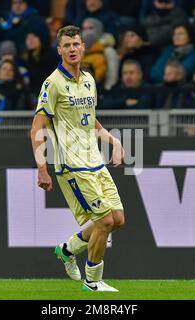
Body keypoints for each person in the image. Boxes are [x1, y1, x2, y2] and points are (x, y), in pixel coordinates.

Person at [30, 25, 125, 292]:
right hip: (71, 165)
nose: (72, 49)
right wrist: (42, 168)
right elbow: (37, 129)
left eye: (76, 44)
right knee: (104, 220)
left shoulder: (88, 80)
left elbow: (90, 119)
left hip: (95, 160)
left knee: (117, 219)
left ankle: (67, 250)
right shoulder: (53, 83)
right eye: (67, 45)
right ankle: (92, 282)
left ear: (83, 48)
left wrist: (113, 140)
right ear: (59, 50)